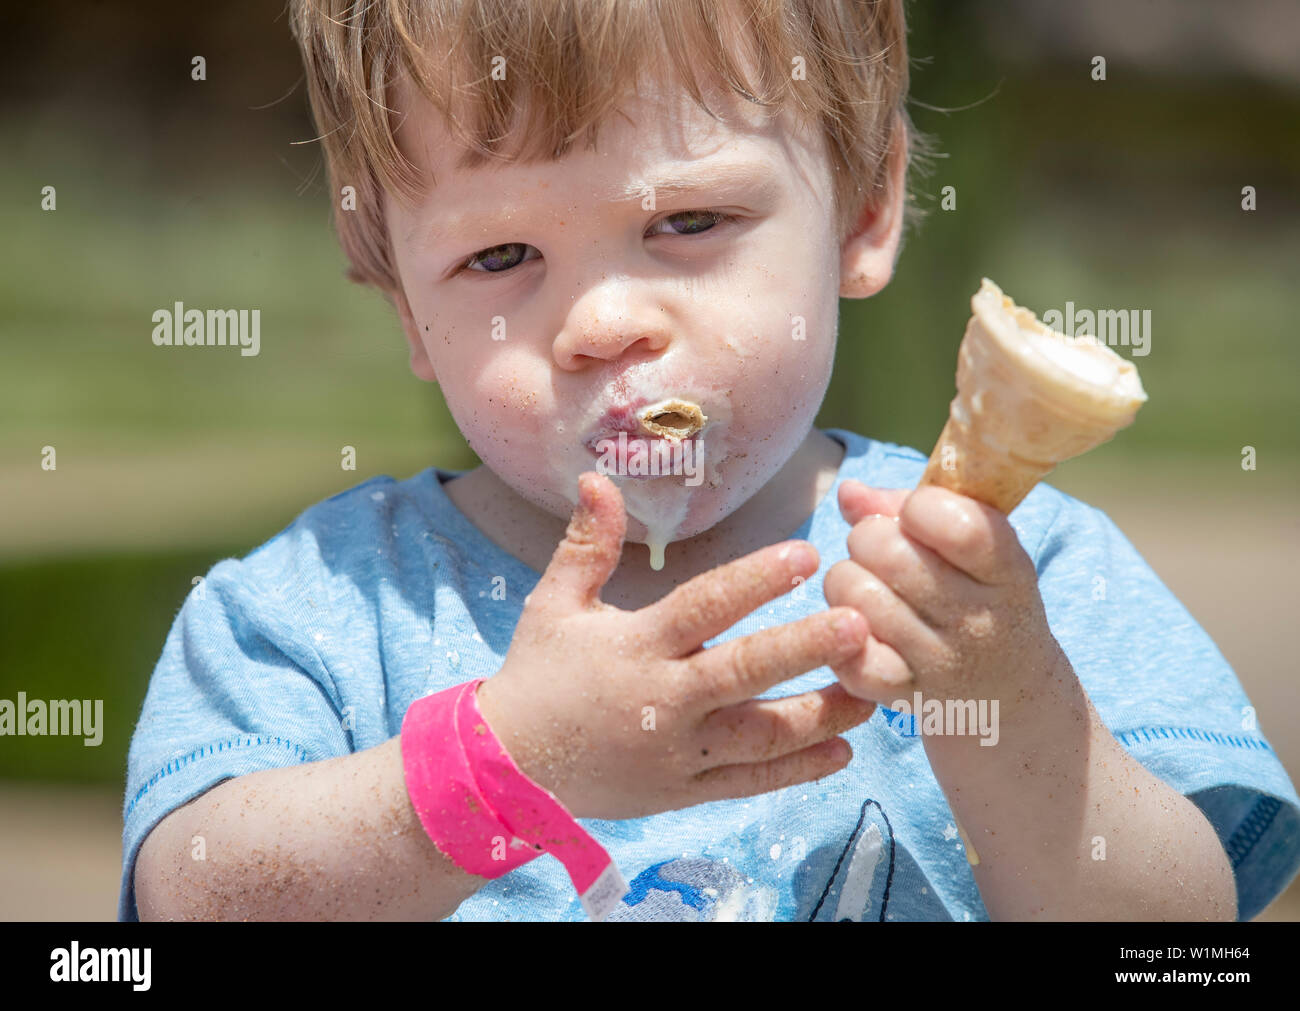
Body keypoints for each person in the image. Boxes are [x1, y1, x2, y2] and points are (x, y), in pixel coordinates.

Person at [121, 0, 1299, 921]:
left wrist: (1012, 706)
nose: (602, 325)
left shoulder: (1017, 576)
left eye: (685, 225)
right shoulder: (320, 613)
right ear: (400, 303)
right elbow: (188, 900)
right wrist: (503, 764)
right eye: (499, 257)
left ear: (864, 210)